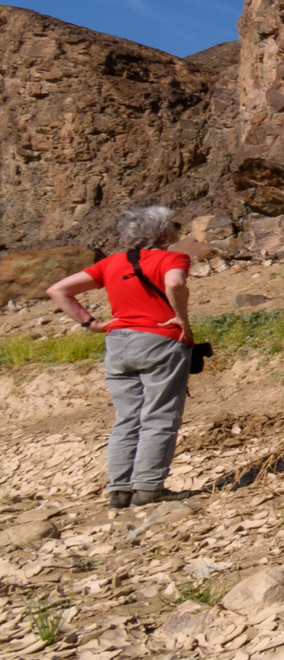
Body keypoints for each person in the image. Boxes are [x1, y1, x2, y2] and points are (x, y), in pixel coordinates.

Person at [46, 205, 194, 508]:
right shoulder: (173, 258)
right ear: (163, 233)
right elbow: (175, 283)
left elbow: (58, 290)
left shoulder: (110, 263)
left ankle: (119, 490)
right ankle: (149, 488)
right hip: (160, 341)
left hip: (118, 343)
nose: (179, 230)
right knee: (160, 414)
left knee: (126, 417)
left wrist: (92, 323)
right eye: (175, 225)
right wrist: (181, 319)